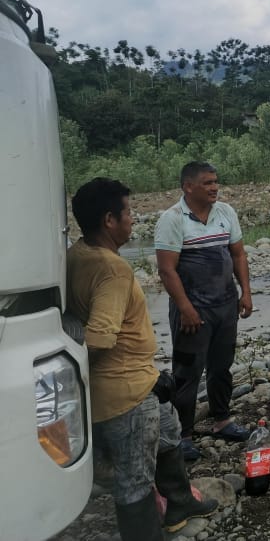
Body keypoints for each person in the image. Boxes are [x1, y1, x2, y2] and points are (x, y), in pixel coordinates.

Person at [67, 178, 218, 539]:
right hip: (125, 394)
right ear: (109, 220)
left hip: (138, 381)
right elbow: (99, 339)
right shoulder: (111, 268)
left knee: (168, 432)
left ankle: (180, 501)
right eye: (129, 212)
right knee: (134, 479)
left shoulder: (76, 254)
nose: (133, 219)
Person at [155, 161, 253, 461]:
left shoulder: (225, 212)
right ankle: (183, 434)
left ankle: (222, 420)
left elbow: (238, 254)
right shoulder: (172, 219)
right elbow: (167, 270)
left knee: (221, 366)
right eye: (207, 183)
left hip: (225, 305)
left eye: (215, 182)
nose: (214, 187)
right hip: (193, 311)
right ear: (188, 186)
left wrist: (246, 292)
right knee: (187, 372)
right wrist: (185, 308)